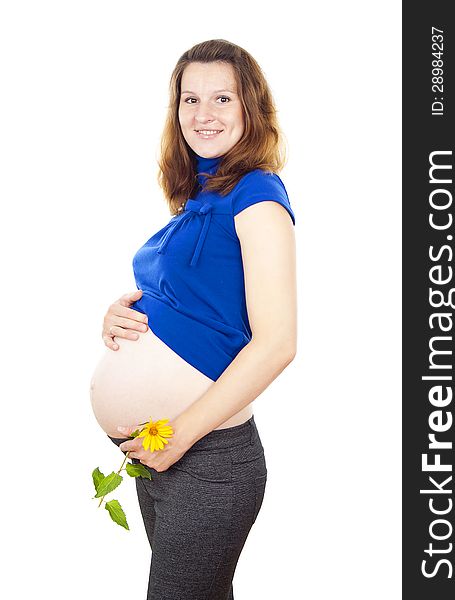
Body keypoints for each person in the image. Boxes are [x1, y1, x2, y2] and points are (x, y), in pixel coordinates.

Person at [104, 39, 297, 600]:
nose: (203, 114)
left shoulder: (258, 196)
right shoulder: (200, 195)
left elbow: (279, 341)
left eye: (222, 98)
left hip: (207, 456)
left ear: (249, 109)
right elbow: (192, 304)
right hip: (161, 454)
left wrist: (183, 434)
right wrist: (122, 316)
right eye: (190, 99)